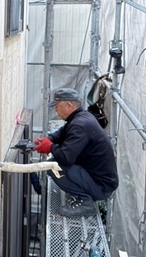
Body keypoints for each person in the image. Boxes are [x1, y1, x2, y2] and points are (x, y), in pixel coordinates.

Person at [34, 87, 118, 217]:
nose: (55, 110)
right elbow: (62, 133)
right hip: (98, 178)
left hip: (101, 186)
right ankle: (81, 192)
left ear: (69, 105)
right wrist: (48, 139)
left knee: (52, 167)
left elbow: (66, 158)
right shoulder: (81, 117)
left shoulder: (79, 125)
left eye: (57, 106)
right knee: (53, 164)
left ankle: (85, 203)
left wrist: (50, 147)